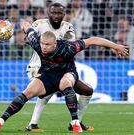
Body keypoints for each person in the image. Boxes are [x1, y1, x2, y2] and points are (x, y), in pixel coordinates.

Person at [0, 19, 128, 133]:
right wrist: (15, 25)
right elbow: (26, 25)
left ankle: (76, 123)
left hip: (68, 73)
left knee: (66, 83)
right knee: (28, 91)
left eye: (47, 45)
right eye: (42, 44)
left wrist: (116, 47)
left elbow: (92, 40)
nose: (44, 47)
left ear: (55, 44)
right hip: (48, 75)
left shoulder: (68, 47)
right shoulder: (36, 43)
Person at [25, 2, 94, 132]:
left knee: (87, 90)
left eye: (59, 13)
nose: (56, 15)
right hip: (37, 67)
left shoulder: (68, 27)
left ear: (64, 14)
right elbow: (28, 37)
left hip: (61, 70)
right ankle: (32, 124)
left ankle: (76, 122)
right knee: (48, 91)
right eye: (53, 12)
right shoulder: (38, 24)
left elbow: (70, 43)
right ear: (48, 13)